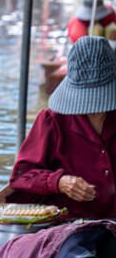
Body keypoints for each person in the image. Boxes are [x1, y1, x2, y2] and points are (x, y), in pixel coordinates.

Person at [9, 36, 116, 219]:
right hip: (68, 224)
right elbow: (22, 176)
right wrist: (59, 182)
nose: (94, 107)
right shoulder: (53, 120)